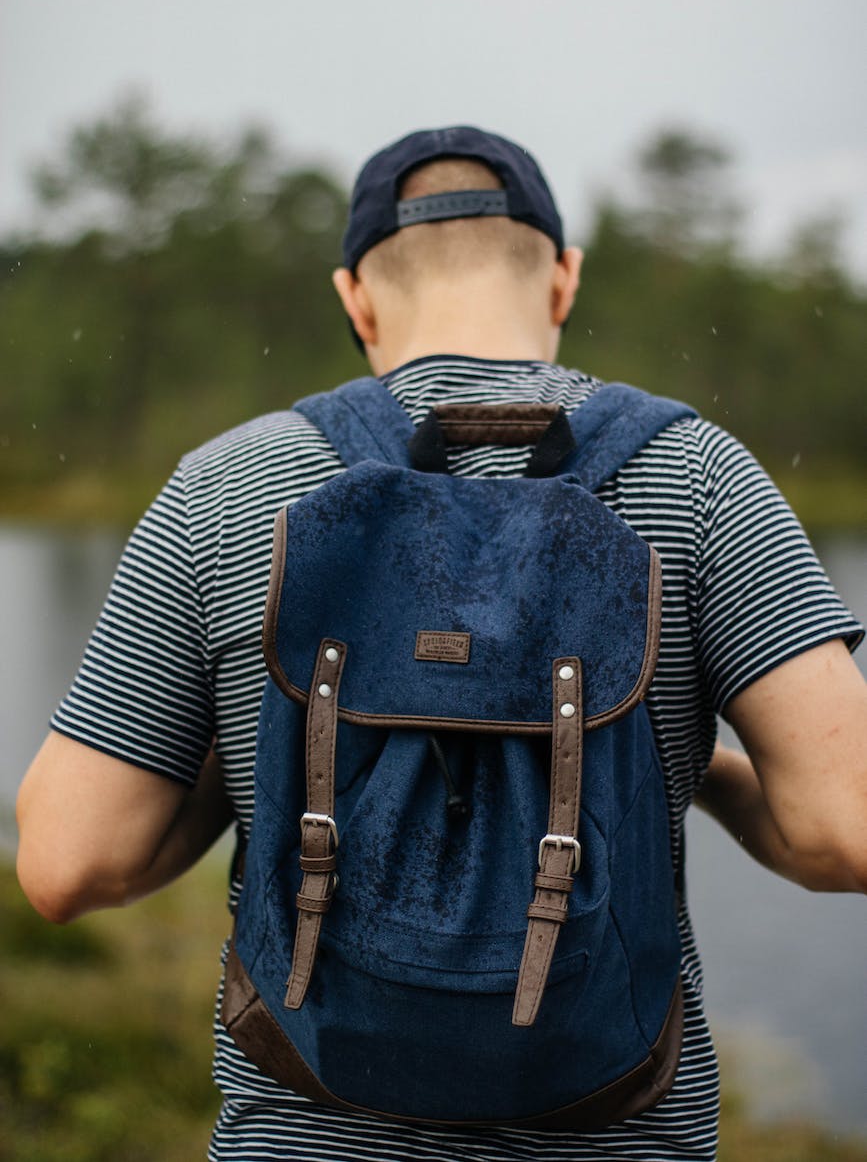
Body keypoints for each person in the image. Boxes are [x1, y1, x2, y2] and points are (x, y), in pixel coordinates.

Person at [16, 126, 867, 1161]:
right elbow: (847, 828)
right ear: (563, 279)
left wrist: (256, 755)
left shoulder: (227, 488)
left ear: (355, 298)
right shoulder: (702, 480)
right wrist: (700, 770)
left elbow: (67, 863)